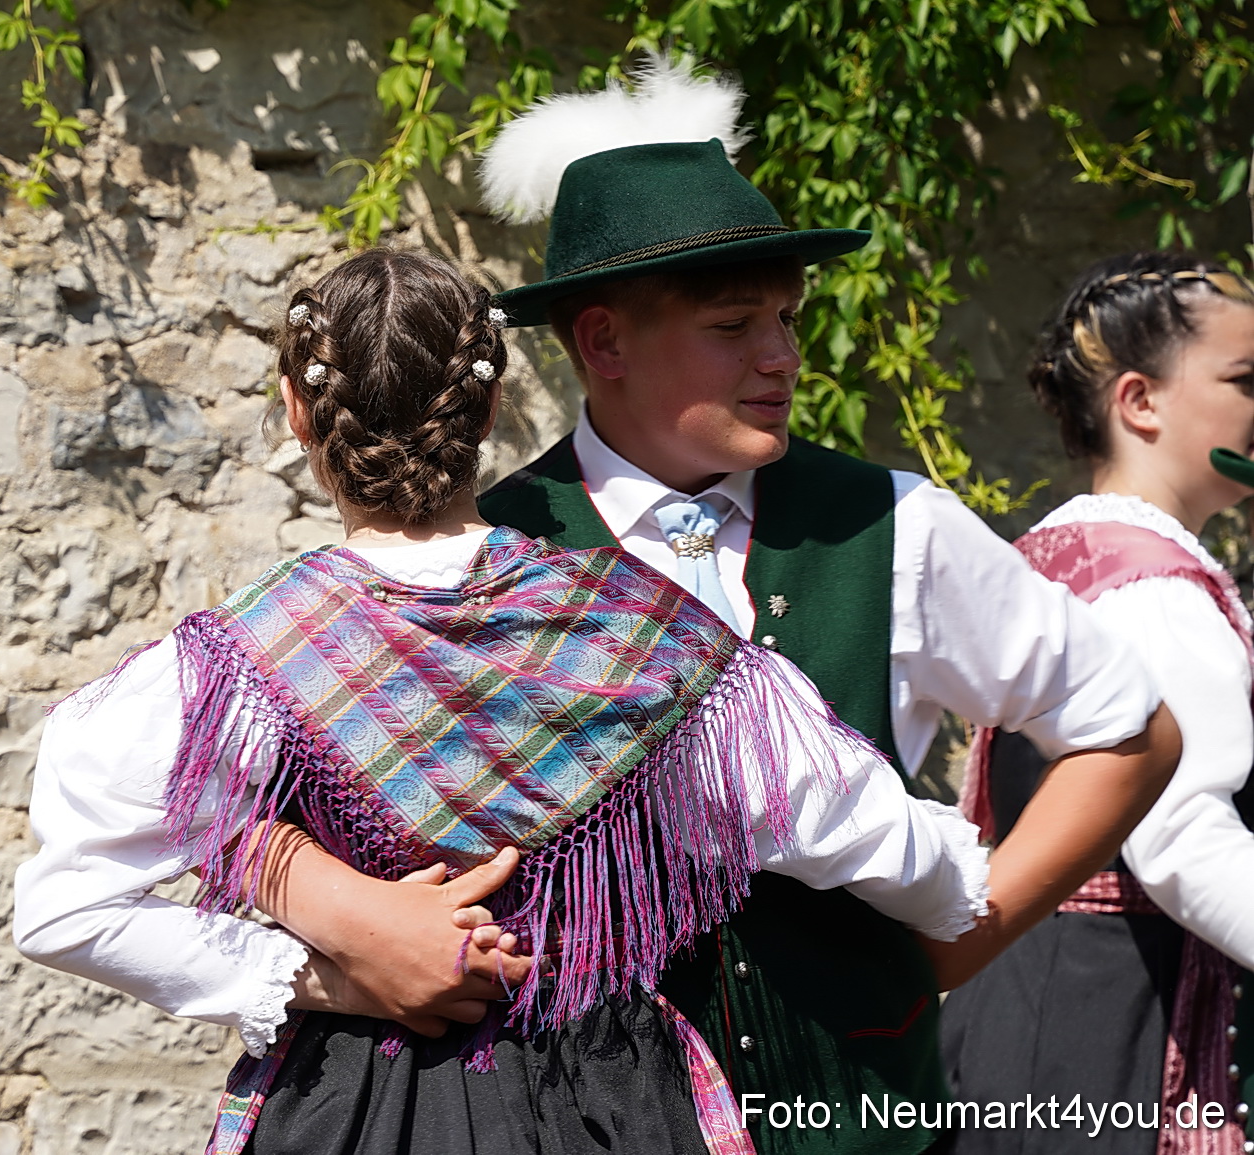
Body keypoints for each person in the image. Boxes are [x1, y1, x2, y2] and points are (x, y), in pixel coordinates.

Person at [238, 58, 1182, 1155]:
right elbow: (264, 811)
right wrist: (351, 918)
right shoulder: (482, 549)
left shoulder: (891, 523)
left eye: (785, 318)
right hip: (579, 1122)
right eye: (736, 326)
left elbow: (1126, 728)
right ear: (602, 343)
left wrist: (957, 936)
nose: (782, 357)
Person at [12, 246, 1001, 1155]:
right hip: (605, 1098)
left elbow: (68, 908)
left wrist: (328, 978)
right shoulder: (648, 644)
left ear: (297, 413)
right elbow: (893, 852)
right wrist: (961, 876)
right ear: (485, 416)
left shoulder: (230, 669)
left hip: (347, 1104)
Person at [942, 251, 1254, 1154]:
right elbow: (1184, 839)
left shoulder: (1057, 551)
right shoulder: (1153, 589)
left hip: (1031, 1003)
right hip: (1113, 1018)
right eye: (1245, 378)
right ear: (1139, 402)